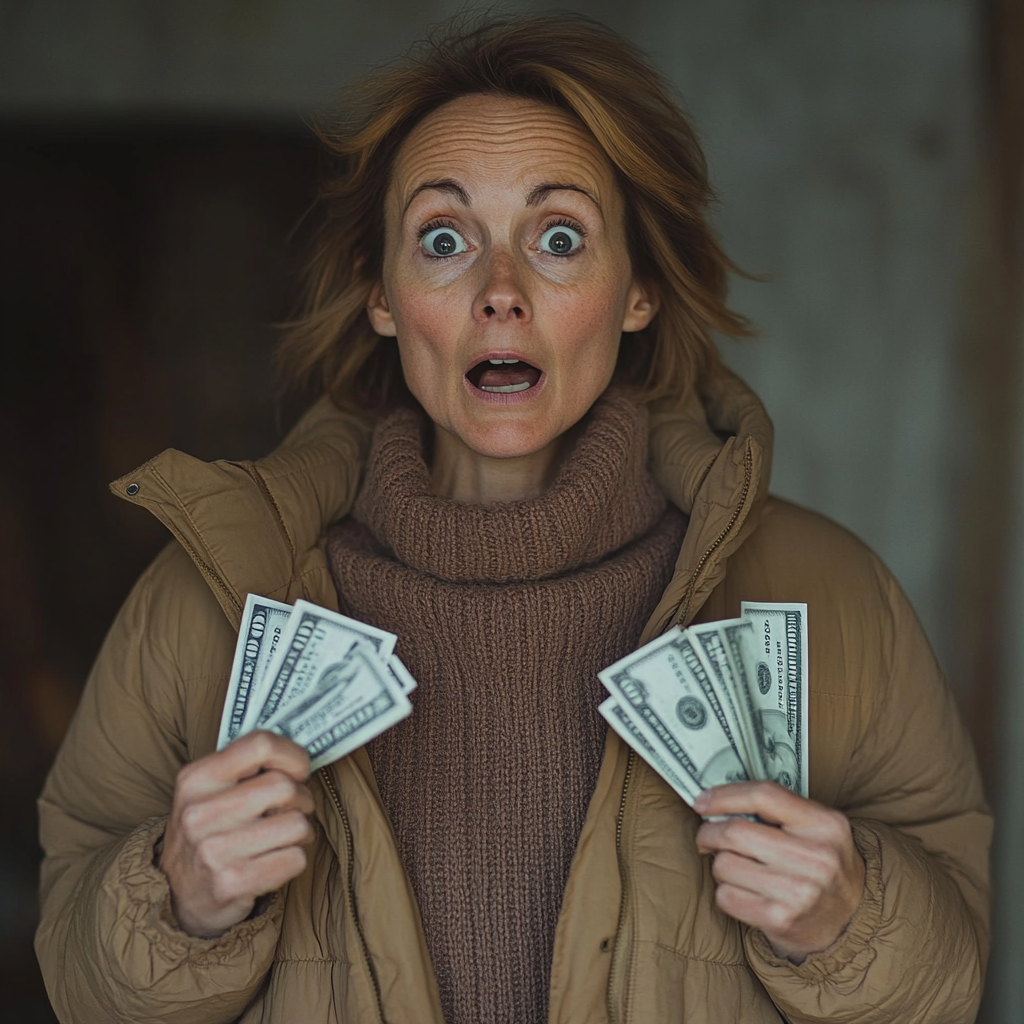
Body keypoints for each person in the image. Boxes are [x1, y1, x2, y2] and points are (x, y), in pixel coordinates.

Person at [35, 14, 990, 1024]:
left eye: (560, 237)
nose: (500, 293)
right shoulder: (206, 603)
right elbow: (79, 980)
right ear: (382, 295)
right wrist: (177, 902)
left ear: (638, 291)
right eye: (443, 240)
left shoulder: (830, 596)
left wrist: (846, 923)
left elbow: (949, 985)